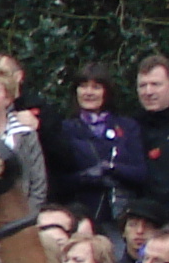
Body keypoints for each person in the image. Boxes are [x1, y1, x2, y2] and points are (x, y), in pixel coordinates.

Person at [49, 63, 146, 225]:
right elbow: (57, 181)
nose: (88, 92)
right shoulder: (64, 129)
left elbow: (141, 173)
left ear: (106, 92)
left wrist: (112, 168)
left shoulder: (127, 126)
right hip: (81, 218)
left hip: (122, 218)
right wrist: (85, 177)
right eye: (83, 86)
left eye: (96, 87)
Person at [0, 55, 50, 217]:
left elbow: (38, 186)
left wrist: (24, 219)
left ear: (7, 99)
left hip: (22, 217)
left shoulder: (26, 134)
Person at [136, 54, 169, 225]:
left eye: (155, 84)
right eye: (143, 85)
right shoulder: (130, 127)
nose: (148, 92)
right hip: (139, 224)